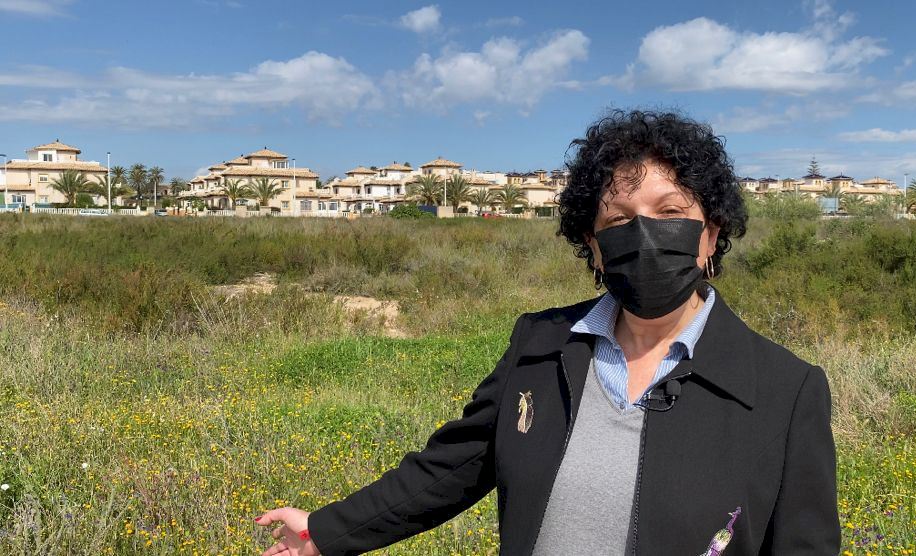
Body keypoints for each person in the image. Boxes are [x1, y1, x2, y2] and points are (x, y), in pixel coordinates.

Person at [255, 108, 841, 555]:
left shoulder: (785, 391)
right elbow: (451, 469)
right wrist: (327, 532)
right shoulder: (540, 346)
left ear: (711, 233)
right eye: (619, 220)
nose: (644, 235)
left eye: (670, 213)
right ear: (594, 245)